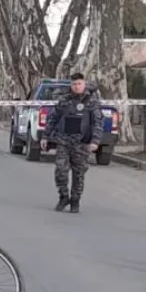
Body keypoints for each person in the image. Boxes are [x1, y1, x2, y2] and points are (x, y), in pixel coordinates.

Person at [41, 73, 104, 213]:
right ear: (71, 85)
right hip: (64, 141)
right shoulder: (64, 100)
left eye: (79, 84)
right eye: (74, 84)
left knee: (79, 173)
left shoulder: (91, 102)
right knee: (60, 171)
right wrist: (45, 136)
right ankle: (63, 196)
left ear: (84, 84)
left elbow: (98, 123)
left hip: (82, 143)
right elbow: (53, 119)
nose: (77, 87)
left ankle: (75, 200)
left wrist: (95, 141)